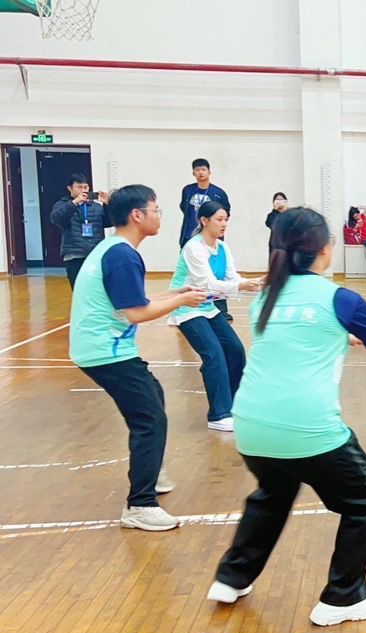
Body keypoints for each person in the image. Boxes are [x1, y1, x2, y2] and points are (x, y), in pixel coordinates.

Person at [207, 206, 366, 626]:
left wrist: (340, 336)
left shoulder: (266, 296)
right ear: (324, 249)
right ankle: (343, 598)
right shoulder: (338, 298)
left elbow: (294, 334)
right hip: (308, 429)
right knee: (364, 500)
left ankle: (231, 577)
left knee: (272, 494)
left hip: (251, 426)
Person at [69, 185, 208, 531]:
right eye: (156, 210)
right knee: (150, 419)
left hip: (104, 348)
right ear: (137, 215)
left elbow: (135, 301)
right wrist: (181, 302)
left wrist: (173, 292)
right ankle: (140, 505)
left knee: (152, 398)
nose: (159, 216)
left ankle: (150, 468)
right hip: (104, 350)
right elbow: (135, 313)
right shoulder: (122, 255)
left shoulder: (117, 249)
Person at [169, 200, 262, 433]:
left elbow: (231, 278)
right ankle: (218, 414)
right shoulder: (193, 247)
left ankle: (237, 406)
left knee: (235, 349)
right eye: (219, 219)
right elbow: (207, 284)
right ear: (204, 220)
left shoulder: (222, 248)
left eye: (226, 220)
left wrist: (251, 284)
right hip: (187, 307)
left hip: (208, 307)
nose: (224, 224)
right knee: (214, 354)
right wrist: (241, 286)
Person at [50, 173, 111, 288]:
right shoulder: (62, 204)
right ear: (70, 188)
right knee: (78, 288)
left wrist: (107, 204)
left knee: (97, 288)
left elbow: (109, 222)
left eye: (86, 187)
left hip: (95, 254)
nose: (84, 190)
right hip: (74, 255)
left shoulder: (96, 206)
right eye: (79, 187)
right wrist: (74, 203)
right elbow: (57, 219)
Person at [179, 158, 230, 249]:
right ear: (193, 173)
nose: (201, 172)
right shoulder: (188, 190)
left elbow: (225, 213)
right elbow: (184, 208)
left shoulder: (219, 193)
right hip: (189, 235)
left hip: (210, 236)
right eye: (197, 170)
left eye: (203, 169)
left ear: (209, 172)